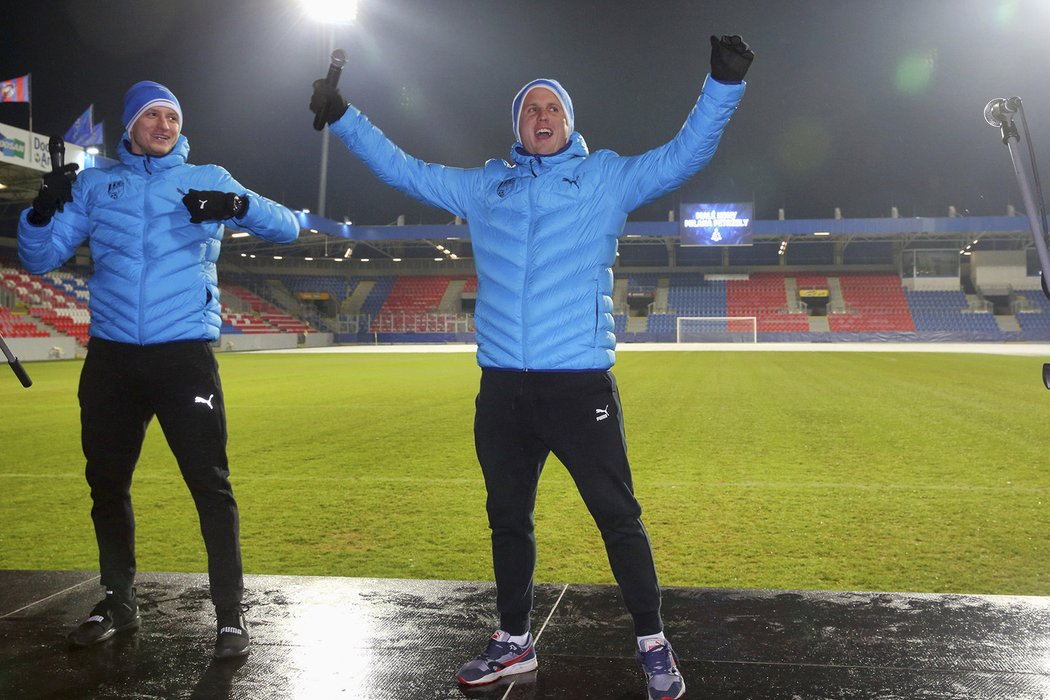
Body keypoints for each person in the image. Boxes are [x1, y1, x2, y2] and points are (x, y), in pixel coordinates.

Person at [311, 35, 753, 700]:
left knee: (618, 517)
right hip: (503, 392)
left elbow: (684, 153)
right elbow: (403, 169)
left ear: (570, 122)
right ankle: (514, 643)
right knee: (507, 517)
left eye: (553, 108)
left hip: (578, 387)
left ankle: (653, 642)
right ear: (517, 124)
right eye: (529, 109)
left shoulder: (605, 176)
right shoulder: (486, 185)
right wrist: (344, 116)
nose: (541, 116)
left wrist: (723, 84)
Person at [18, 80, 299, 659]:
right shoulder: (97, 184)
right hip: (112, 359)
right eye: (152, 115)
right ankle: (119, 601)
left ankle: (229, 616)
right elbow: (40, 257)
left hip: (183, 358)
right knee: (106, 486)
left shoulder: (210, 176)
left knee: (210, 487)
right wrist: (41, 211)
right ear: (130, 126)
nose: (165, 125)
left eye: (173, 115)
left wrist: (237, 206)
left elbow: (288, 227)